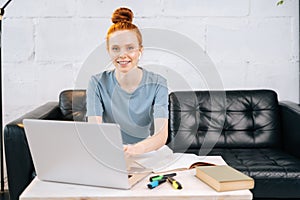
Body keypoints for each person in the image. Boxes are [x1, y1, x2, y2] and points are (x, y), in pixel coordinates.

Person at [86, 7, 168, 156]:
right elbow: (95, 131)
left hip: (145, 151)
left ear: (140, 51)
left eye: (130, 48)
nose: (123, 55)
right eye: (116, 49)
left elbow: (161, 136)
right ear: (108, 50)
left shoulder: (158, 83)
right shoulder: (97, 83)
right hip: (109, 151)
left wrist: (135, 150)